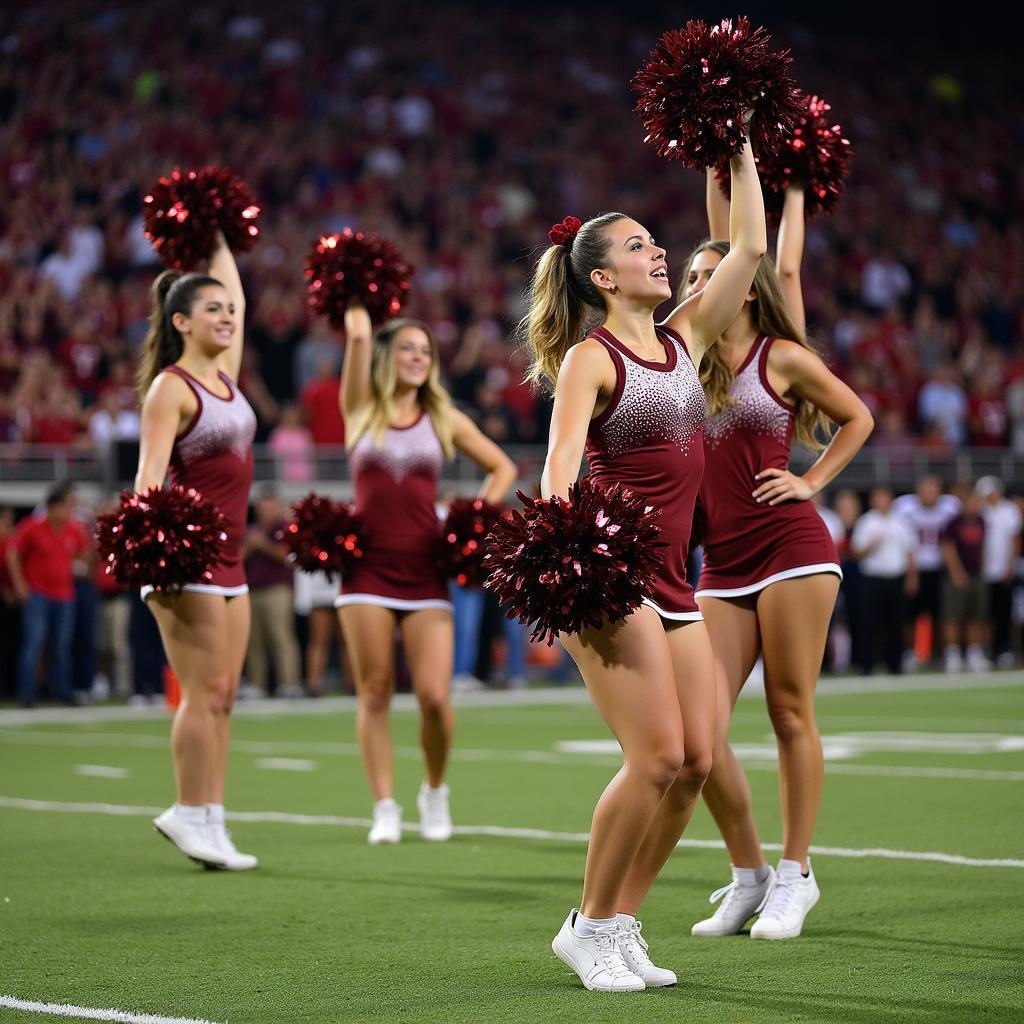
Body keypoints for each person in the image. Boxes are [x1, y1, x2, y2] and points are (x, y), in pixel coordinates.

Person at [530, 126, 765, 991]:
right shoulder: (591, 358)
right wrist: (558, 564)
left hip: (676, 581)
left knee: (698, 760)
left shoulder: (684, 338)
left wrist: (736, 142)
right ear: (601, 277)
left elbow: (747, 245)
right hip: (612, 575)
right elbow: (558, 466)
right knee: (658, 757)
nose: (659, 252)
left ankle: (620, 922)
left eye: (656, 243)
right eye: (639, 246)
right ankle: (587, 925)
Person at [685, 181, 873, 941]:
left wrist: (811, 478)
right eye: (693, 278)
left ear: (746, 289)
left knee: (789, 709)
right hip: (720, 562)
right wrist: (713, 156)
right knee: (700, 732)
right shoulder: (688, 361)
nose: (698, 287)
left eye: (709, 275)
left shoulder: (783, 356)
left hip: (792, 548)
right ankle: (748, 873)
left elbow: (858, 417)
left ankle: (796, 875)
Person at [337, 302, 516, 847]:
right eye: (408, 349)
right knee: (374, 690)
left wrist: (474, 517)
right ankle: (384, 805)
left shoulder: (443, 417)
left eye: (425, 350)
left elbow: (502, 466)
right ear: (388, 356)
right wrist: (360, 328)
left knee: (435, 696)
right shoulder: (360, 407)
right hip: (365, 568)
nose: (418, 358)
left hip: (424, 569)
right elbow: (358, 347)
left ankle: (434, 791)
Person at [133, 231, 258, 870]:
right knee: (201, 691)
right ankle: (186, 809)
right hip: (187, 560)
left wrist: (215, 235)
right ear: (180, 321)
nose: (228, 316)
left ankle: (211, 818)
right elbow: (148, 479)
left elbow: (235, 289)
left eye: (230, 311)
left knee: (224, 694)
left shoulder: (225, 378)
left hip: (230, 557)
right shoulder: (172, 388)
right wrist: (159, 552)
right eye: (212, 311)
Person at [6, 483, 88, 707]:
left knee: (62, 646)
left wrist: (79, 565)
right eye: (64, 507)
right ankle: (27, 692)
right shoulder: (33, 526)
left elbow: (84, 554)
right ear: (51, 508)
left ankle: (62, 691)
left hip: (64, 594)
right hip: (37, 594)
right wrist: (20, 584)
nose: (67, 512)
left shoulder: (74, 528)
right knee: (34, 643)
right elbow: (12, 553)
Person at [893, 475, 960, 668]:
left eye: (933, 489)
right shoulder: (904, 507)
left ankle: (939, 653)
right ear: (917, 491)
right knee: (910, 615)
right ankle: (909, 653)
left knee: (941, 614)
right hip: (914, 568)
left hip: (940, 568)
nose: (929, 494)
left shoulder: (951, 506)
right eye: (925, 489)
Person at [851, 485, 918, 674]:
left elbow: (910, 552)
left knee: (895, 623)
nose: (881, 501)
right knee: (869, 623)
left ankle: (895, 664)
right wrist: (872, 545)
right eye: (878, 497)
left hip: (895, 578)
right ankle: (867, 665)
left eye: (885, 497)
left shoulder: (901, 522)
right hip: (872, 578)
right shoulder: (866, 522)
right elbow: (857, 553)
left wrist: (912, 578)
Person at [243, 489, 302, 697]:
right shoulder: (251, 530)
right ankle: (257, 684)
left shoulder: (285, 528)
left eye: (270, 507)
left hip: (278, 589)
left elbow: (285, 554)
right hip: (251, 590)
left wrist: (262, 544)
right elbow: (239, 559)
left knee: (281, 636)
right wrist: (250, 546)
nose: (266, 512)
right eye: (262, 507)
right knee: (253, 640)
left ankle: (289, 682)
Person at [939, 487, 990, 672]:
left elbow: (982, 548)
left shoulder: (982, 521)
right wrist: (957, 573)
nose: (975, 505)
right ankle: (953, 655)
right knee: (953, 616)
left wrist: (983, 571)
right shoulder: (954, 523)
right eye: (972, 501)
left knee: (976, 616)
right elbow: (948, 549)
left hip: (977, 575)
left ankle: (974, 652)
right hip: (958, 576)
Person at [976, 476, 1022, 667]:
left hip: (1004, 569)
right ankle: (986, 649)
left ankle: (1004, 649)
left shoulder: (1009, 510)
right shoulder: (980, 511)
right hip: (984, 571)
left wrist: (1010, 566)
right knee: (985, 613)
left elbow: (1015, 540)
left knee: (1005, 612)